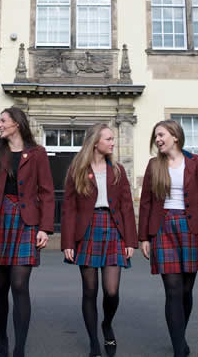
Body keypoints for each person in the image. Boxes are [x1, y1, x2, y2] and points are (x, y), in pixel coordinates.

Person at [0, 106, 55, 357]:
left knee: (19, 284)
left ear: (17, 123)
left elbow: (47, 192)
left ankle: (19, 348)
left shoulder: (37, 153)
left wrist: (45, 228)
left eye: (3, 121)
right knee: (0, 285)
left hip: (26, 222)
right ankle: (2, 340)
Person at [138, 120, 198, 357]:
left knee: (185, 289)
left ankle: (179, 335)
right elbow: (145, 203)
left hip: (191, 227)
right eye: (156, 136)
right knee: (172, 290)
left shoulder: (196, 163)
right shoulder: (154, 165)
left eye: (161, 135)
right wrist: (144, 237)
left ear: (175, 136)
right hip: (163, 228)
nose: (158, 140)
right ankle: (178, 349)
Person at [61, 123, 137, 357]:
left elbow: (126, 206)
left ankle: (107, 324)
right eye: (109, 139)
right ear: (96, 142)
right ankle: (94, 342)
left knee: (111, 291)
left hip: (113, 229)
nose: (113, 142)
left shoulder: (118, 170)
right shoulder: (77, 169)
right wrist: (67, 243)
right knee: (89, 291)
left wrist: (130, 241)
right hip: (88, 230)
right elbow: (69, 209)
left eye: (113, 139)